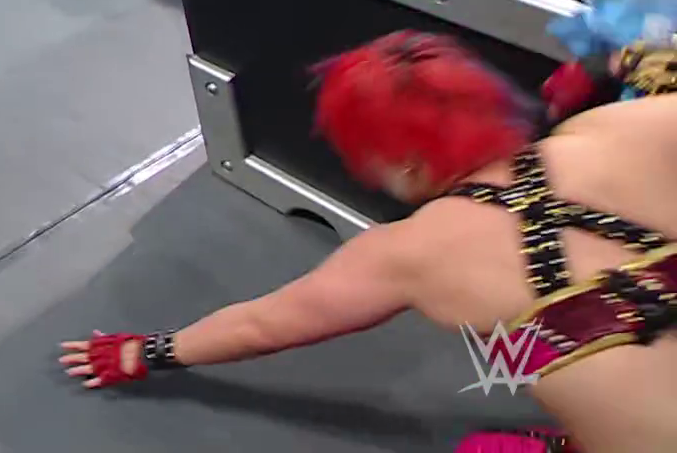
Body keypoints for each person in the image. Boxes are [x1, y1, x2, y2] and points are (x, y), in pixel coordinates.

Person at [58, 30, 677, 453]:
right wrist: (621, 61)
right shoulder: (618, 128)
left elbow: (262, 324)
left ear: (404, 165)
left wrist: (147, 352)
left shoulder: (407, 253)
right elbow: (655, 47)